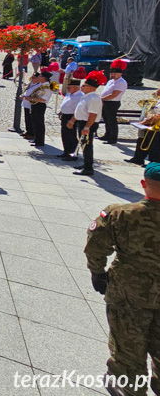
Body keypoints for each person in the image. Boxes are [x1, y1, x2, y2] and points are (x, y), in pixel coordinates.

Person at [84, 162, 160, 396]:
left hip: (129, 291)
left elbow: (95, 246)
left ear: (144, 185)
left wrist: (97, 272)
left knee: (128, 345)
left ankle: (129, 388)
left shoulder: (121, 214)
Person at [70, 71, 106, 176]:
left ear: (91, 87)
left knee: (87, 145)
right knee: (83, 144)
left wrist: (87, 127)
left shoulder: (93, 98)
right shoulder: (87, 96)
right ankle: (86, 163)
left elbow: (93, 115)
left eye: (84, 86)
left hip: (88, 124)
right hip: (82, 122)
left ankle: (88, 168)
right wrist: (73, 120)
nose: (82, 87)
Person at [99, 59, 129, 145]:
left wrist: (102, 99)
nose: (113, 74)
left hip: (112, 103)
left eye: (115, 73)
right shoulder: (111, 81)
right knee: (106, 119)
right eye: (112, 73)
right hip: (106, 102)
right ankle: (107, 135)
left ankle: (113, 138)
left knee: (112, 121)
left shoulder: (121, 82)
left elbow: (114, 94)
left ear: (120, 73)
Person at [58, 77, 84, 161]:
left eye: (70, 87)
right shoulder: (70, 93)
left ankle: (72, 154)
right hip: (65, 116)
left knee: (71, 136)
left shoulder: (80, 96)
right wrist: (61, 111)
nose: (68, 88)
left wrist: (72, 120)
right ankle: (66, 152)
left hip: (72, 117)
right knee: (64, 135)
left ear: (76, 87)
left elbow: (78, 110)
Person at [29, 70, 54, 147]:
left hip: (40, 105)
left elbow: (44, 99)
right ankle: (36, 139)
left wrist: (30, 98)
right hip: (36, 104)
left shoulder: (47, 86)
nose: (38, 77)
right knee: (35, 122)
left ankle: (40, 141)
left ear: (44, 78)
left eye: (40, 76)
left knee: (39, 124)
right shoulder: (41, 84)